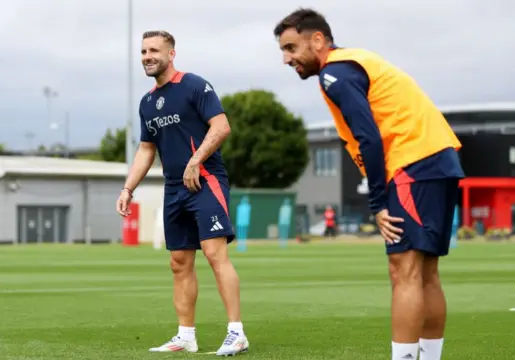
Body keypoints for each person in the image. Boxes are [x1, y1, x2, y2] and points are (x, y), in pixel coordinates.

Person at [273, 8, 465, 360]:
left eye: (290, 48)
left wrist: (377, 203)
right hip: (438, 157)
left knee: (403, 271)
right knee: (425, 273)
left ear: (318, 40)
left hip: (413, 163)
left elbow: (369, 139)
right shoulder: (354, 61)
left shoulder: (334, 74)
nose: (286, 59)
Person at [116, 30, 249, 356]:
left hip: (205, 181)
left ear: (172, 54)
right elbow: (146, 149)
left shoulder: (195, 86)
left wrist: (196, 160)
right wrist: (128, 187)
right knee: (178, 262)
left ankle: (236, 332)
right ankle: (185, 336)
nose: (147, 56)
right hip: (174, 187)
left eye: (154, 50)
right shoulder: (147, 102)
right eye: (144, 51)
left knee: (216, 254)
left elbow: (222, 126)